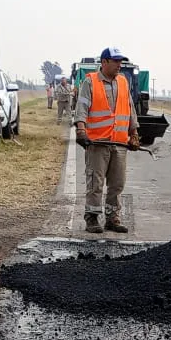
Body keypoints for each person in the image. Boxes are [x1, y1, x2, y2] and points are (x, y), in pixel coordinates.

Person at [74, 47, 140, 234]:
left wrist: (133, 133)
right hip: (97, 143)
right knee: (95, 183)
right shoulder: (91, 82)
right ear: (104, 62)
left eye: (121, 61)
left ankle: (112, 219)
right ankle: (92, 219)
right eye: (116, 61)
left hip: (119, 143)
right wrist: (81, 130)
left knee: (117, 184)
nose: (120, 65)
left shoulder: (123, 82)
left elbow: (129, 108)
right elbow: (82, 107)